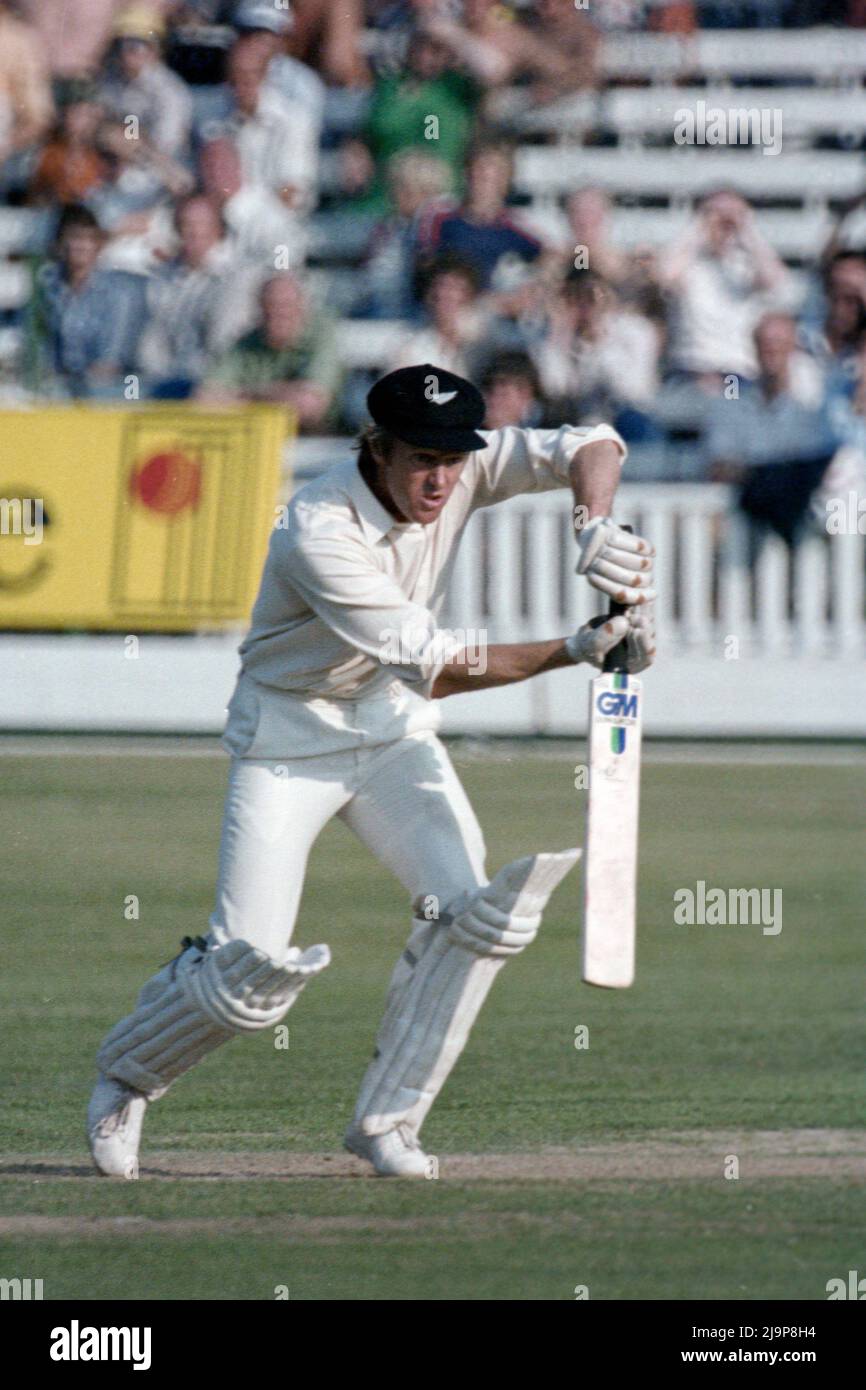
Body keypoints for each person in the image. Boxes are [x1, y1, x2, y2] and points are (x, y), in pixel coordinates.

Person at [87, 362, 656, 1180]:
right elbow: (438, 666)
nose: (442, 479)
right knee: (248, 973)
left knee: (476, 917)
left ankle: (388, 1123)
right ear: (378, 448)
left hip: (390, 734)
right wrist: (575, 649)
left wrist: (593, 524)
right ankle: (127, 1076)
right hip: (290, 739)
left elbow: (594, 441)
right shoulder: (318, 526)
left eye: (453, 460)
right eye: (422, 460)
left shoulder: (462, 463)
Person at [704, 313, 839, 545]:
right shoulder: (731, 402)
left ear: (793, 348)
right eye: (765, 343)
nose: (771, 351)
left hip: (801, 528)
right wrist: (775, 473)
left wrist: (756, 471)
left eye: (779, 343)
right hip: (744, 527)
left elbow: (818, 469)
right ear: (754, 348)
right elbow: (719, 466)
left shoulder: (813, 404)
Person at [658, 188, 790, 385]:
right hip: (688, 370)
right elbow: (663, 276)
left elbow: (775, 281)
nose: (722, 222)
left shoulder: (747, 268)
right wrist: (700, 225)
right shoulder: (688, 265)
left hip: (735, 374)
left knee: (732, 408)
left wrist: (746, 228)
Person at [197, 272, 341, 430]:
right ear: (259, 308)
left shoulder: (322, 334)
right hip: (254, 431)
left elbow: (309, 406)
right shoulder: (246, 342)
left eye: (285, 304)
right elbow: (204, 399)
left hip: (318, 437)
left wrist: (244, 395)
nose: (276, 312)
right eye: (269, 304)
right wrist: (283, 393)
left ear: (301, 307)